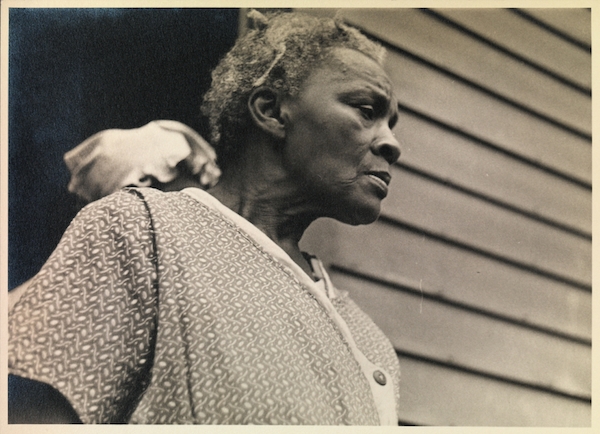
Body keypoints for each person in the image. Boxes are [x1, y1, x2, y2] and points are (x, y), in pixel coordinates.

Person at [8, 10, 402, 425]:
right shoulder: (139, 234)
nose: (392, 144)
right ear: (271, 111)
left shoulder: (370, 342)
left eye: (391, 123)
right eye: (366, 109)